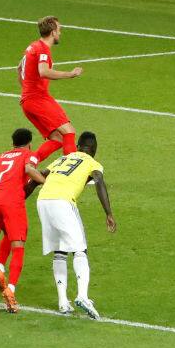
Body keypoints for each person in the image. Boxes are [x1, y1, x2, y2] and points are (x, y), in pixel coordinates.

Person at [33, 132, 116, 319]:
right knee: (80, 250)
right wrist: (108, 213)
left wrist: (19, 200)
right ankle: (83, 296)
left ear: (78, 146)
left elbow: (37, 177)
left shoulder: (62, 158)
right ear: (94, 149)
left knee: (60, 249)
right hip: (62, 202)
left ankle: (63, 302)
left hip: (43, 201)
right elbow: (99, 182)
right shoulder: (93, 163)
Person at [0, 128, 45, 313]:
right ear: (29, 143)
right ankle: (10, 290)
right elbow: (29, 169)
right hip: (12, 204)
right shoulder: (28, 154)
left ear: (12, 143)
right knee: (18, 245)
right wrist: (46, 182)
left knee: (8, 234)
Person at [20, 15, 83, 164]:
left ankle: (29, 165)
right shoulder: (43, 49)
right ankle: (72, 171)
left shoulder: (32, 46)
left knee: (57, 139)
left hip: (28, 101)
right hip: (37, 99)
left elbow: (19, 68)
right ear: (53, 32)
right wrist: (70, 74)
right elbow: (44, 71)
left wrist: (25, 90)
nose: (60, 33)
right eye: (59, 30)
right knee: (69, 132)